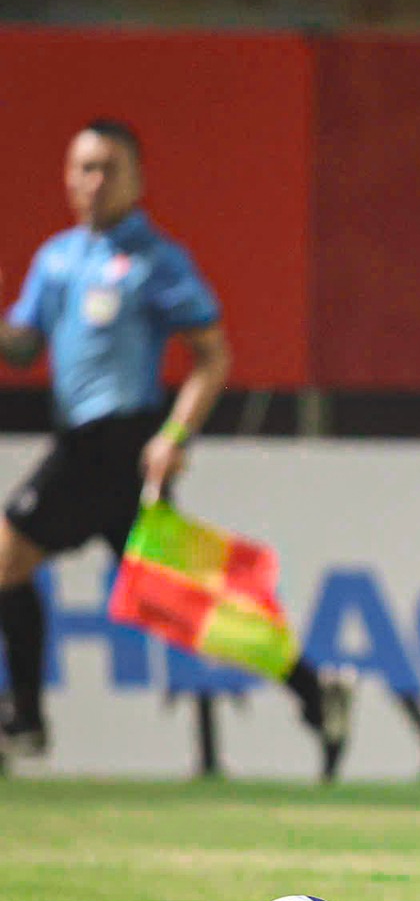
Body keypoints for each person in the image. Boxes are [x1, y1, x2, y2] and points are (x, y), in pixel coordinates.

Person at [0, 120, 354, 773]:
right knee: (181, 599)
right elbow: (23, 347)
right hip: (85, 442)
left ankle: (24, 719)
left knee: (7, 555)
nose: (94, 181)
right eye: (83, 168)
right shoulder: (57, 258)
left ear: (137, 179)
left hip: (119, 440)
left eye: (109, 168)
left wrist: (175, 433)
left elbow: (212, 356)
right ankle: (314, 687)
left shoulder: (156, 261)